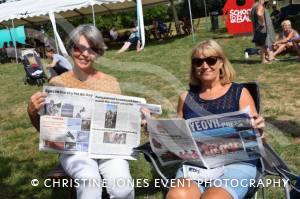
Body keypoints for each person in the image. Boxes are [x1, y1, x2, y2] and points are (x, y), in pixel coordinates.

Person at [27, 24, 134, 199]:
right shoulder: (57, 83)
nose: (84, 54)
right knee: (89, 183)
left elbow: (119, 124)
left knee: (123, 188)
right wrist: (32, 112)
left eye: (91, 49)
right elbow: (48, 132)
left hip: (108, 147)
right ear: (70, 49)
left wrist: (138, 120)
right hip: (75, 151)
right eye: (79, 48)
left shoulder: (111, 82)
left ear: (99, 52)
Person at [166, 40, 265, 199]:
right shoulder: (185, 97)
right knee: (177, 195)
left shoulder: (239, 93)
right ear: (194, 67)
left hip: (235, 164)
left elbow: (256, 139)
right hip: (197, 165)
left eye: (211, 60)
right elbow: (179, 137)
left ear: (221, 63)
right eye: (198, 62)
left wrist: (258, 130)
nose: (204, 66)